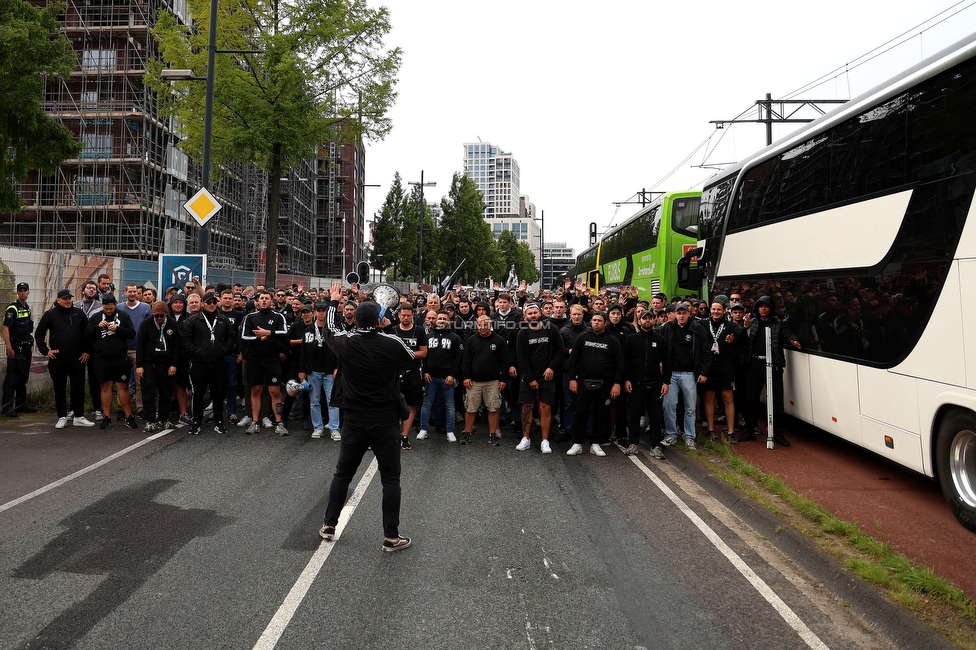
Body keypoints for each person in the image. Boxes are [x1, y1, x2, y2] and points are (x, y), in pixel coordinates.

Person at [318, 281, 414, 552]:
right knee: (391, 479)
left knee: (343, 474)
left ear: (356, 319)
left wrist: (334, 303)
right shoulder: (391, 341)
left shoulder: (345, 343)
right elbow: (409, 359)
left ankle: (328, 523)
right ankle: (391, 537)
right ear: (380, 319)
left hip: (354, 419)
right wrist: (389, 329)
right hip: (384, 419)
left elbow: (328, 330)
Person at [736, 295, 801, 446]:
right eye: (760, 306)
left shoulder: (779, 323)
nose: (763, 309)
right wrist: (744, 327)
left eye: (766, 306)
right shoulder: (751, 323)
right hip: (754, 365)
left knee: (776, 401)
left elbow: (788, 334)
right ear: (757, 308)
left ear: (771, 308)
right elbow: (742, 339)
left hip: (773, 365)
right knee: (750, 399)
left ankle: (778, 433)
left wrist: (794, 340)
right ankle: (750, 430)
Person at [35, 289, 96, 428]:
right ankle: (62, 416)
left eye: (70, 298)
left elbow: (88, 333)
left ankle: (78, 416)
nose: (68, 301)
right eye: (65, 298)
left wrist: (87, 351)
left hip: (77, 357)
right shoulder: (50, 314)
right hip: (58, 358)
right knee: (59, 387)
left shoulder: (78, 313)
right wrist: (46, 351)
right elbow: (39, 333)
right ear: (58, 300)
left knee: (78, 386)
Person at [566, 311, 623, 457]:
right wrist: (573, 379)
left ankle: (596, 443)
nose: (596, 323)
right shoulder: (583, 337)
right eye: (594, 320)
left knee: (601, 413)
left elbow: (619, 364)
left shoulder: (612, 340)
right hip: (583, 381)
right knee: (580, 412)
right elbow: (573, 360)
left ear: (605, 323)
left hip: (605, 383)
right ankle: (577, 443)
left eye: (599, 320)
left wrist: (617, 383)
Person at [182, 291, 236, 435]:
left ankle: (219, 420)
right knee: (198, 393)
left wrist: (223, 350)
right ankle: (196, 421)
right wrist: (196, 352)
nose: (212, 305)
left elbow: (231, 338)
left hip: (218, 362)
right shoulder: (193, 320)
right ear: (202, 304)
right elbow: (186, 339)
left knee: (218, 393)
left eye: (214, 302)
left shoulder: (223, 320)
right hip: (199, 363)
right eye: (208, 302)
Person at [659, 302, 711, 449]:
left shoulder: (698, 329)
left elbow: (706, 352)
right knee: (668, 405)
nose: (681, 316)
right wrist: (660, 363)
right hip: (671, 374)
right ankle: (671, 434)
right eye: (679, 313)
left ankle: (689, 436)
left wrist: (704, 372)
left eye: (684, 313)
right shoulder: (667, 328)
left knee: (690, 407)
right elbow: (660, 348)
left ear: (689, 313)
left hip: (689, 374)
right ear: (675, 314)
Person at [514, 303, 564, 453]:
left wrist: (551, 368)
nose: (533, 316)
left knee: (546, 407)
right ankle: (526, 438)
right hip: (529, 377)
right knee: (526, 407)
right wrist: (530, 379)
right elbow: (521, 359)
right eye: (530, 314)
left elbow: (560, 350)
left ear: (540, 313)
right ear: (525, 316)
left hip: (547, 376)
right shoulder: (522, 333)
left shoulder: (551, 329)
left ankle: (545, 441)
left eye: (535, 313)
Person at [239, 290, 289, 435]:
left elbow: (285, 333)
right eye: (262, 298)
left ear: (271, 301)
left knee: (275, 391)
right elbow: (244, 336)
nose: (264, 301)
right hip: (255, 359)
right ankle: (255, 422)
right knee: (256, 391)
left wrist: (269, 333)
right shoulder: (250, 317)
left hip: (272, 359)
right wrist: (259, 338)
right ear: (257, 301)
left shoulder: (278, 316)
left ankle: (279, 423)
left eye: (267, 298)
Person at [85, 294, 137, 429]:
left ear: (115, 304)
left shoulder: (124, 315)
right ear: (102, 306)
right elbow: (86, 335)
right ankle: (106, 417)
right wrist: (97, 327)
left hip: (120, 357)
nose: (108, 311)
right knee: (105, 387)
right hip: (102, 358)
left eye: (111, 308)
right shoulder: (96, 317)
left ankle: (129, 416)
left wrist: (118, 329)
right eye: (106, 309)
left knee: (123, 387)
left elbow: (132, 333)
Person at [623, 310, 670, 457]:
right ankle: (633, 443)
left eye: (650, 318)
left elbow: (667, 363)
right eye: (644, 318)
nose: (647, 321)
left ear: (654, 320)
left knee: (655, 415)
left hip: (655, 383)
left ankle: (655, 445)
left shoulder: (661, 340)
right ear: (639, 320)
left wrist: (666, 382)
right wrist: (626, 380)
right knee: (634, 415)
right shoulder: (631, 339)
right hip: (635, 383)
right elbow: (626, 362)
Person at [460, 314, 508, 445]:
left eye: (485, 324)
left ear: (490, 325)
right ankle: (467, 433)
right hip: (473, 381)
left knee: (493, 408)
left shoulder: (499, 340)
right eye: (480, 325)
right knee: (470, 408)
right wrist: (466, 376)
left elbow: (504, 362)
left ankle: (492, 434)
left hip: (493, 381)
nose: (482, 327)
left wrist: (503, 379)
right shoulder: (471, 340)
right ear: (477, 326)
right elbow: (466, 360)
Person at [136, 300, 181, 433]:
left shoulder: (172, 324)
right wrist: (140, 365)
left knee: (166, 392)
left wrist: (174, 364)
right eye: (156, 316)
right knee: (148, 392)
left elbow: (177, 346)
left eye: (161, 316)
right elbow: (140, 345)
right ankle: (150, 420)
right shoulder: (146, 324)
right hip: (150, 364)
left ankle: (164, 419)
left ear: (166, 314)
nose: (159, 318)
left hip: (166, 364)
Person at [701, 300, 744, 441]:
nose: (715, 312)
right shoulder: (703, 324)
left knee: (728, 398)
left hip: (726, 365)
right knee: (709, 397)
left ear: (724, 311)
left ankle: (731, 432)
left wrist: (734, 340)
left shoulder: (730, 325)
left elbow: (743, 337)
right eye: (713, 309)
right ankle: (711, 430)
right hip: (709, 365)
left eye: (719, 309)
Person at [418, 310, 463, 443]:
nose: (442, 321)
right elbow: (423, 357)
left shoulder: (455, 338)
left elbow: (458, 359)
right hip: (430, 377)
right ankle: (424, 429)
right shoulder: (428, 337)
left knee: (449, 405)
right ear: (435, 321)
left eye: (445, 319)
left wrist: (452, 375)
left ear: (449, 321)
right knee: (427, 404)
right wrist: (424, 372)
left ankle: (450, 431)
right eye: (440, 319)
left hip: (447, 378)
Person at [299, 300, 340, 440]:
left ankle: (334, 428)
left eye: (324, 310)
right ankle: (318, 427)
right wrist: (302, 369)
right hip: (313, 371)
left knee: (332, 401)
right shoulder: (309, 330)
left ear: (327, 312)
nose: (321, 313)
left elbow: (339, 350)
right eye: (319, 310)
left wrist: (337, 367)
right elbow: (303, 351)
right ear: (315, 312)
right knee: (314, 401)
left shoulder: (332, 330)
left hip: (329, 371)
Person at [392, 302, 428, 450]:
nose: (406, 318)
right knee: (393, 405)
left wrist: (407, 354)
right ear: (399, 316)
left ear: (412, 315)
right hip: (395, 373)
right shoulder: (393, 330)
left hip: (413, 373)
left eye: (408, 315)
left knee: (411, 405)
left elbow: (423, 352)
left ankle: (405, 436)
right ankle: (392, 435)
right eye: (403, 315)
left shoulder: (419, 331)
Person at [3, 282, 37, 417]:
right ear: (17, 292)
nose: (23, 293)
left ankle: (21, 405)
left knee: (23, 377)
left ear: (28, 292)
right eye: (20, 290)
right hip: (16, 348)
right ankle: (6, 408)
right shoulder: (12, 308)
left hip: (26, 348)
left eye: (25, 290)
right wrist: (9, 348)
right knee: (12, 378)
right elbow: (5, 329)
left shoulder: (27, 308)